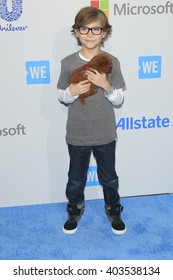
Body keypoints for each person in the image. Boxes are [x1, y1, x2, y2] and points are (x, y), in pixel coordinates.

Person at [57, 6, 126, 235]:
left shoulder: (112, 61)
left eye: (96, 29)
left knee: (109, 177)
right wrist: (72, 90)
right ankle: (75, 209)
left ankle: (113, 209)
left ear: (105, 33)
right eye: (84, 29)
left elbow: (119, 99)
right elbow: (60, 95)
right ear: (76, 32)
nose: (89, 34)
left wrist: (106, 85)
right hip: (77, 134)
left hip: (105, 133)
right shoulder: (67, 62)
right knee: (75, 179)